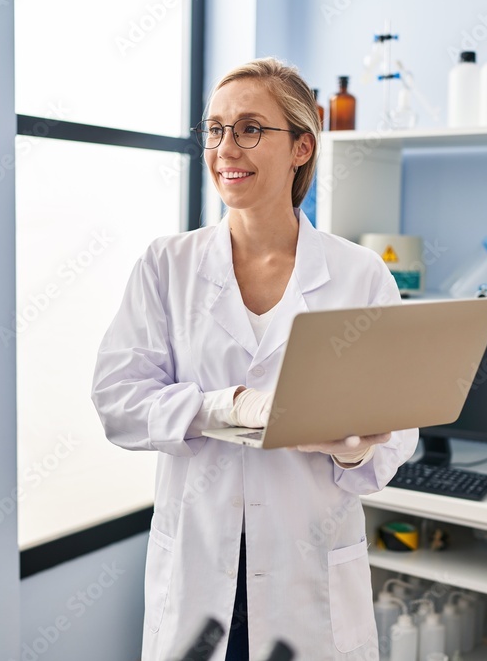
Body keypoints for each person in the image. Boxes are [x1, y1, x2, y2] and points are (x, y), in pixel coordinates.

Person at [91, 57, 418, 661]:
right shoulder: (168, 266)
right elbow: (118, 402)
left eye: (248, 128)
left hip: (308, 574)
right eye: (215, 129)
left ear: (300, 146)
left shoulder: (359, 275)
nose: (225, 148)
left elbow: (398, 430)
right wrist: (229, 407)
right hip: (199, 571)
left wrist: (361, 448)